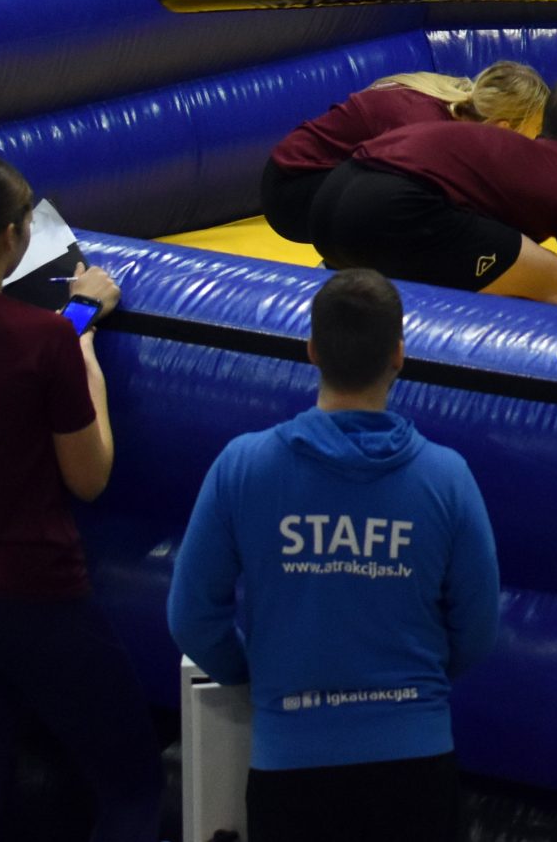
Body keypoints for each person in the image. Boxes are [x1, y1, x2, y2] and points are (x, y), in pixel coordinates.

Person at [169, 268, 501, 842]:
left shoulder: (244, 468)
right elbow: (477, 627)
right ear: (399, 355)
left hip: (291, 763)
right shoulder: (447, 478)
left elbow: (192, 617)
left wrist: (255, 678)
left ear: (312, 350)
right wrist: (411, 692)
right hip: (414, 762)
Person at [0, 157, 164, 842]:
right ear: (11, 236)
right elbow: (89, 474)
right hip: (32, 592)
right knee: (132, 786)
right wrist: (82, 337)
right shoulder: (44, 338)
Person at [310, 71, 557, 307]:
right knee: (555, 279)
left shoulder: (513, 154)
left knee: (508, 265)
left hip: (328, 203)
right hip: (386, 208)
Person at [263, 63, 550, 245]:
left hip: (315, 179)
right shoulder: (427, 126)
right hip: (293, 190)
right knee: (428, 214)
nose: (535, 140)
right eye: (535, 130)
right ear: (503, 127)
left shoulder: (455, 101)